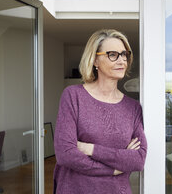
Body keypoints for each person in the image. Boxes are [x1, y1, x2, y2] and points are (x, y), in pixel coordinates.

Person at [53, 29, 147, 194]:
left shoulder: (133, 108)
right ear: (95, 60)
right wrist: (113, 168)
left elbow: (138, 160)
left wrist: (91, 149)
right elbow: (65, 154)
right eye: (113, 54)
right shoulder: (73, 96)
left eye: (124, 54)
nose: (122, 61)